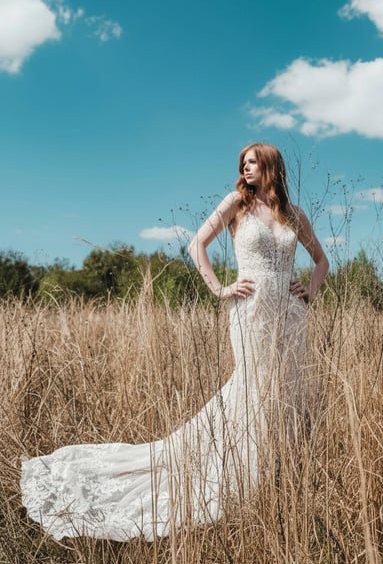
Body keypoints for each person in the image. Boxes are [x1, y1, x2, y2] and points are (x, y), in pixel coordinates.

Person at [21, 143, 328, 541]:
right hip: (250, 313)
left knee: (282, 393)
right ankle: (239, 479)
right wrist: (220, 288)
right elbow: (196, 244)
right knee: (252, 388)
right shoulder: (238, 203)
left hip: (288, 317)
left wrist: (311, 291)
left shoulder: (293, 214)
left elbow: (321, 259)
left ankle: (274, 479)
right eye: (243, 163)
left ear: (270, 165)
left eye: (252, 162)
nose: (245, 168)